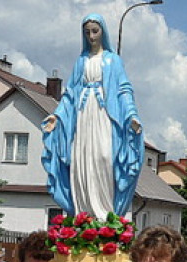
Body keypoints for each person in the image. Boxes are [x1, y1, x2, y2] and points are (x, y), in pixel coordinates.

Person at [42, 13, 144, 219]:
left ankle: (104, 215)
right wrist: (57, 116)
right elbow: (70, 94)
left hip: (104, 115)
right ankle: (84, 214)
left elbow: (124, 89)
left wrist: (131, 114)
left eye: (95, 31)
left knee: (103, 158)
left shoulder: (112, 60)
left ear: (103, 32)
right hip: (82, 115)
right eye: (87, 32)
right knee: (81, 160)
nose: (91, 36)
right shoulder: (81, 61)